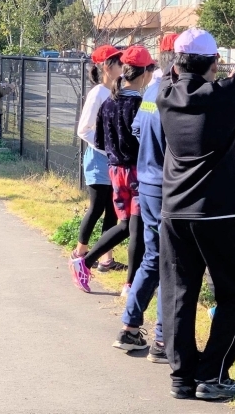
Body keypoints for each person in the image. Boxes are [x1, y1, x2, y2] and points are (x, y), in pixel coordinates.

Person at [156, 28, 235, 401]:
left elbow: (171, 73)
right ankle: (212, 374)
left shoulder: (164, 95)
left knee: (179, 295)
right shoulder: (222, 95)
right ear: (213, 63)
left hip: (174, 211)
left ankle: (182, 378)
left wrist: (195, 67)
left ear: (177, 65)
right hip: (218, 213)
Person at [112, 33, 178, 361]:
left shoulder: (152, 90)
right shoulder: (175, 92)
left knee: (153, 257)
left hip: (148, 184)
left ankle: (129, 328)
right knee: (171, 262)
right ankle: (164, 341)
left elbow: (138, 130)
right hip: (171, 189)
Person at [69, 45, 154, 296]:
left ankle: (84, 262)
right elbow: (150, 135)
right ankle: (129, 284)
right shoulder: (143, 103)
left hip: (115, 171)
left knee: (128, 224)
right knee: (135, 227)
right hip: (137, 172)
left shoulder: (109, 101)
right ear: (145, 73)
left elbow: (101, 141)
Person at [72, 45, 125, 273]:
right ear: (107, 66)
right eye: (119, 63)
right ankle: (80, 253)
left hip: (113, 160)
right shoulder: (98, 94)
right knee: (97, 208)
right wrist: (108, 147)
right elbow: (83, 130)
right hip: (98, 159)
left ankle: (106, 258)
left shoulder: (116, 91)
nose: (123, 67)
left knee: (112, 210)